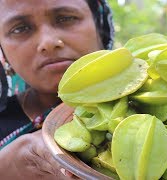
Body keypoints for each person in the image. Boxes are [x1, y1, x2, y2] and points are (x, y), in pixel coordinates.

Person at [0, 0, 114, 178]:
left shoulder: (151, 101)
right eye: (19, 29)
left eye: (66, 18)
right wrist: (10, 165)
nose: (49, 42)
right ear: (3, 52)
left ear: (99, 25)